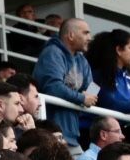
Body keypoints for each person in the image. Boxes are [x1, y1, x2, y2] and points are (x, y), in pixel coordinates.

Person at [32, 16, 95, 146]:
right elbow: (53, 87)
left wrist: (86, 97)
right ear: (71, 35)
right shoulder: (52, 53)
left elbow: (92, 90)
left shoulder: (82, 60)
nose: (89, 38)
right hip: (50, 132)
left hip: (72, 133)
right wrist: (81, 98)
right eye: (85, 33)